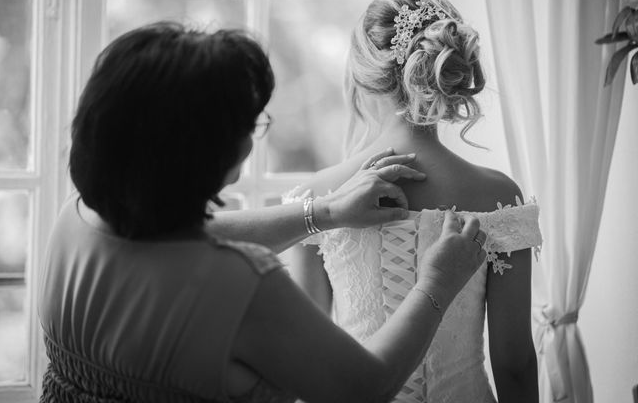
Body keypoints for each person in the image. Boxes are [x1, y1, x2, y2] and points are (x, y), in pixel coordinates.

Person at [38, 21, 487, 403]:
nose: (255, 138)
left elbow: (195, 235)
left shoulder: (76, 222)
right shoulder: (242, 285)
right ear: (201, 150)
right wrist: (436, 284)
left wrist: (326, 212)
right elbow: (364, 389)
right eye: (250, 123)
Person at [285, 0, 542, 403]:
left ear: (362, 76)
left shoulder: (318, 197)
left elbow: (310, 363)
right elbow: (514, 363)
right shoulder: (498, 196)